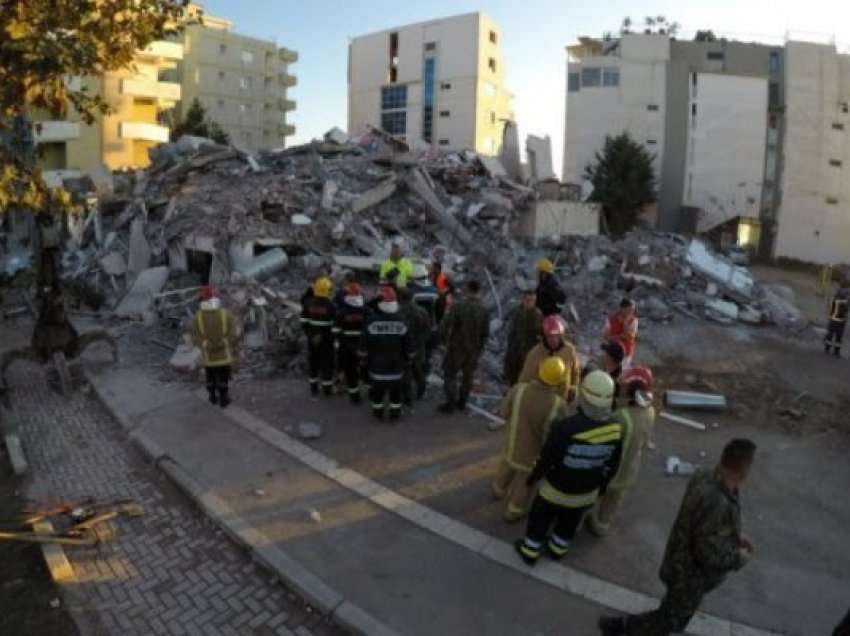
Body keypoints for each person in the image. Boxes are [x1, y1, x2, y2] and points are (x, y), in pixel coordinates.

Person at [599, 438, 757, 636]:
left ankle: (621, 627)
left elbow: (703, 526)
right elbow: (707, 552)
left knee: (669, 612)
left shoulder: (705, 476)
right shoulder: (718, 502)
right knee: (670, 621)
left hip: (678, 559)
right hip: (690, 577)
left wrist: (732, 536)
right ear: (745, 470)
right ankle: (621, 627)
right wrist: (738, 557)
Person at [515, 370, 622, 566]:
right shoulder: (616, 428)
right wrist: (601, 487)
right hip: (586, 493)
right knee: (569, 523)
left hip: (555, 490)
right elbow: (612, 464)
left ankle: (530, 551)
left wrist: (532, 478)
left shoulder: (568, 426)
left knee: (540, 519)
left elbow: (547, 457)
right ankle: (558, 549)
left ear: (583, 394)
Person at [492, 357, 568, 522]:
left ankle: (498, 490)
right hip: (532, 456)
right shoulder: (557, 404)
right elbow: (555, 436)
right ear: (558, 381)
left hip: (511, 445)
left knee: (506, 469)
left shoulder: (519, 389)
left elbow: (504, 413)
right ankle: (514, 510)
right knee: (525, 484)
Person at [588, 365, 656, 536]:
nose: (621, 389)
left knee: (599, 498)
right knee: (614, 501)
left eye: (625, 386)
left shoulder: (622, 417)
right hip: (629, 471)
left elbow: (605, 442)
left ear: (632, 391)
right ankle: (602, 526)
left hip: (612, 472)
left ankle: (592, 521)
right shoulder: (650, 411)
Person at [360, 286, 414, 421]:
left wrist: (363, 359)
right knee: (395, 395)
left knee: (377, 394)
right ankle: (394, 415)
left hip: (376, 368)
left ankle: (378, 414)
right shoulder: (402, 321)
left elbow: (363, 347)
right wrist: (409, 359)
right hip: (397, 368)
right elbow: (410, 347)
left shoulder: (371, 321)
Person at [438, 279, 490, 413]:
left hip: (457, 347)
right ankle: (462, 401)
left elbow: (446, 324)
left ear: (468, 290)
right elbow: (485, 333)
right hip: (474, 349)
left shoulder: (459, 306)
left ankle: (450, 402)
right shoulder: (484, 310)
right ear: (479, 291)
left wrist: (443, 341)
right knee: (468, 376)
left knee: (450, 373)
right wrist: (480, 349)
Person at [191, 286, 240, 408]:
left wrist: (207, 345)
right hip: (224, 356)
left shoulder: (197, 317)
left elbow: (195, 338)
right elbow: (233, 334)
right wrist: (222, 344)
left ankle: (212, 397)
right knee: (224, 378)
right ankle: (224, 398)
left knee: (210, 377)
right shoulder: (226, 314)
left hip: (209, 357)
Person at [517, 315, 580, 402]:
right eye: (549, 336)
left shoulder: (569, 350)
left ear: (561, 335)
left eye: (556, 336)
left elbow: (575, 372)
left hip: (562, 400)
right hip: (541, 401)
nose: (553, 340)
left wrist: (573, 388)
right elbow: (524, 380)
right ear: (544, 336)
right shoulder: (535, 354)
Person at [300, 276, 336, 396]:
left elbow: (303, 321)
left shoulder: (308, 303)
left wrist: (310, 335)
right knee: (327, 363)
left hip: (312, 339)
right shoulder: (331, 305)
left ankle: (313, 388)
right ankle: (327, 389)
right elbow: (335, 325)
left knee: (313, 362)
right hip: (327, 340)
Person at [397, 286, 432, 404]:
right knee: (418, 371)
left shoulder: (397, 312)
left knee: (405, 372)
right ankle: (421, 391)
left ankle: (406, 396)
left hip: (403, 348)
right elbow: (428, 331)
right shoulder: (422, 311)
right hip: (418, 346)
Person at [333, 282, 366, 404]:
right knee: (365, 368)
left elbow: (335, 330)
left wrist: (340, 339)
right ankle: (369, 390)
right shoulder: (366, 310)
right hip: (363, 346)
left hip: (346, 346)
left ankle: (354, 397)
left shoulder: (342, 312)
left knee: (350, 371)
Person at [503, 288, 543, 387]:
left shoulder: (537, 315)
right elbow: (512, 332)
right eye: (527, 300)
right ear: (523, 300)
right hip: (515, 350)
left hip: (528, 352)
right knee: (512, 376)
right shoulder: (517, 312)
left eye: (532, 301)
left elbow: (539, 335)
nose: (529, 303)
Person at [409, 264, 440, 375]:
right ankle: (424, 375)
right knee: (427, 355)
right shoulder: (435, 290)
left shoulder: (411, 291)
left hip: (416, 331)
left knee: (414, 355)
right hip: (432, 328)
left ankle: (414, 376)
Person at [603, 298, 638, 367]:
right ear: (622, 308)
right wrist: (614, 337)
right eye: (629, 310)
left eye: (633, 310)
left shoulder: (633, 320)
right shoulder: (611, 319)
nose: (631, 312)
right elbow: (605, 335)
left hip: (626, 352)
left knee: (622, 372)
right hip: (612, 352)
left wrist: (625, 324)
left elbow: (629, 335)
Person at [825, 286, 849, 357]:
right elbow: (845, 307)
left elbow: (830, 305)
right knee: (838, 336)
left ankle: (827, 348)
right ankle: (836, 351)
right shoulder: (844, 301)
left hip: (833, 319)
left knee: (831, 334)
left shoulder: (836, 298)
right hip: (840, 320)